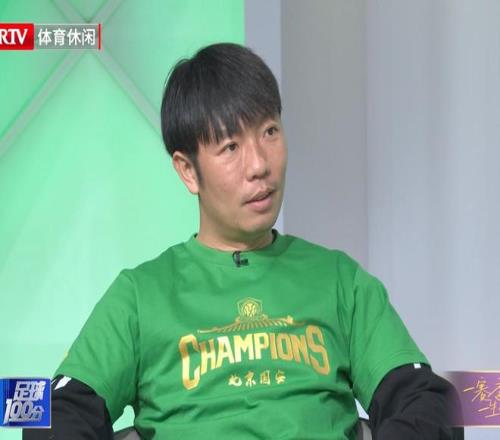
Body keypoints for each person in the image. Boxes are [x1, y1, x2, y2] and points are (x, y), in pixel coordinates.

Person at [24, 43, 461, 440]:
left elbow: (426, 400)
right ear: (188, 171)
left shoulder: (339, 280)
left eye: (270, 131)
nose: (259, 166)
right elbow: (56, 413)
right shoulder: (139, 296)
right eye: (231, 147)